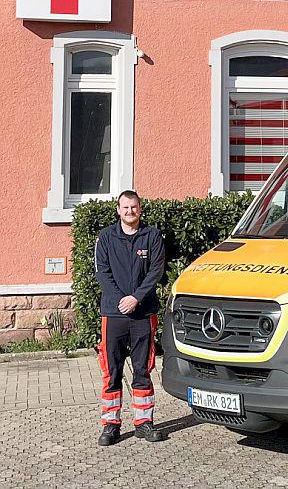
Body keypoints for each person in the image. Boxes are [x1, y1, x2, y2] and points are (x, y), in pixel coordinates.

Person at [94, 190, 166, 446]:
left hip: (143, 313)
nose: (129, 212)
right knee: (111, 370)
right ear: (118, 210)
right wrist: (120, 301)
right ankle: (110, 425)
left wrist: (136, 298)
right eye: (125, 208)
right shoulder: (105, 237)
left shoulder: (152, 236)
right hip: (113, 314)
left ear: (140, 209)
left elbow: (156, 272)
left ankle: (143, 423)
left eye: (133, 207)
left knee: (142, 368)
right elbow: (102, 273)